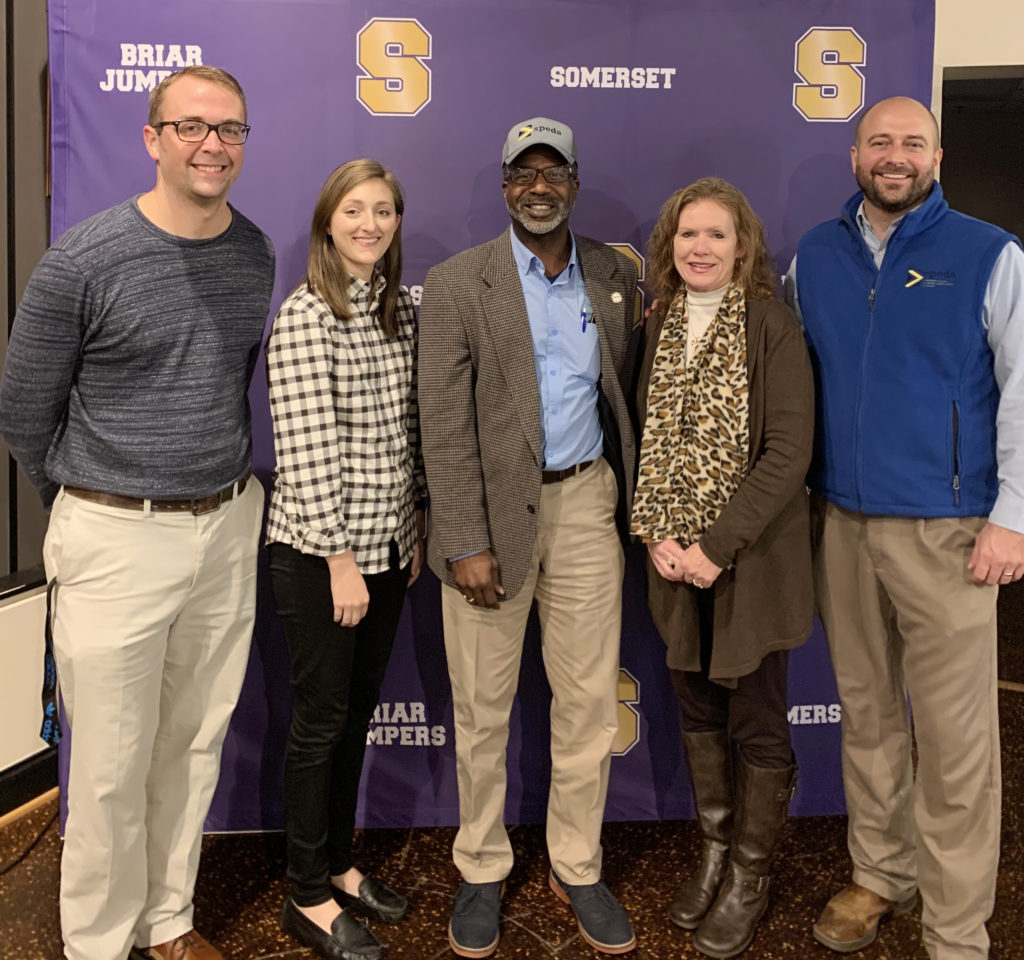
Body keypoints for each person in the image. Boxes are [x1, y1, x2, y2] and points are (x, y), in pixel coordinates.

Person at [0, 66, 274, 960]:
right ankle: (98, 943)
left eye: (229, 129)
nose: (212, 145)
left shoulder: (255, 252)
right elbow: (23, 410)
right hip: (114, 533)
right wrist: (90, 503)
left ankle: (167, 921)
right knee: (111, 770)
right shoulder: (84, 258)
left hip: (227, 526)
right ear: (152, 138)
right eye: (191, 127)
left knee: (192, 747)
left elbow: (225, 386)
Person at [787, 96, 1024, 960]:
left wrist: (1013, 518)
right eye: (879, 142)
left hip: (952, 530)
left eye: (911, 143)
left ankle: (958, 925)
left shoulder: (991, 255)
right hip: (842, 519)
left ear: (938, 154)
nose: (895, 156)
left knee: (958, 739)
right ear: (855, 155)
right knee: (869, 714)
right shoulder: (816, 253)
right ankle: (882, 872)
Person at [418, 117, 639, 958]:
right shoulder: (457, 282)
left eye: (553, 172)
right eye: (522, 174)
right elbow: (440, 424)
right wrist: (464, 538)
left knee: (587, 705)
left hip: (585, 506)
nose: (538, 187)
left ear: (575, 182)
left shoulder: (616, 275)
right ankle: (480, 864)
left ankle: (576, 863)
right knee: (481, 706)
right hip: (489, 522)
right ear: (504, 185)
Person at [632, 177, 813, 958]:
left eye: (716, 235)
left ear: (744, 247)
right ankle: (714, 849)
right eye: (687, 235)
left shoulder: (773, 326)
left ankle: (750, 871)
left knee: (758, 722)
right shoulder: (658, 324)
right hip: (671, 562)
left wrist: (715, 546)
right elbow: (639, 441)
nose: (700, 248)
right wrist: (658, 539)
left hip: (750, 564)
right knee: (698, 711)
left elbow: (786, 454)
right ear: (669, 247)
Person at [264, 158, 425, 960]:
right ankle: (303, 894)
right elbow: (306, 451)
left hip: (389, 549)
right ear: (329, 220)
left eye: (384, 211)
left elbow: (406, 435)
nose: (371, 224)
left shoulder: (396, 310)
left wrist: (413, 528)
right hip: (323, 557)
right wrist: (339, 559)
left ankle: (335, 865)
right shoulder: (306, 316)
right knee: (321, 719)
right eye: (355, 210)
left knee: (356, 714)